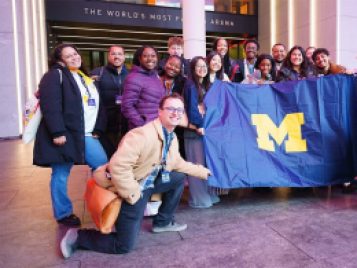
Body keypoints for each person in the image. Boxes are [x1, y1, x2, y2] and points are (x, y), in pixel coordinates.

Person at [60, 94, 211, 257]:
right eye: (171, 109)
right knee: (123, 245)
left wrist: (204, 172)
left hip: (146, 181)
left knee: (178, 177)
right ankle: (80, 237)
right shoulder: (141, 135)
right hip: (128, 186)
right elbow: (118, 167)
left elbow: (177, 164)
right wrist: (134, 195)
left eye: (179, 110)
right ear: (159, 111)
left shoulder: (171, 136)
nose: (176, 113)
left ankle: (163, 222)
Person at [33, 44, 108, 226]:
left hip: (87, 134)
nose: (74, 57)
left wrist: (98, 128)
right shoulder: (54, 75)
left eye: (75, 54)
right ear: (60, 61)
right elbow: (50, 105)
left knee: (103, 167)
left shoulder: (84, 77)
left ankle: (103, 206)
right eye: (68, 56)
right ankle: (63, 214)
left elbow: (97, 105)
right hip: (66, 134)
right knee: (60, 173)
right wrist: (57, 131)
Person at [183, 56, 220, 208]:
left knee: (204, 165)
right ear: (192, 68)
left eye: (204, 66)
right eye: (198, 66)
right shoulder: (191, 85)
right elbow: (192, 109)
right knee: (197, 166)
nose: (202, 69)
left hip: (203, 130)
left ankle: (207, 196)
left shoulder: (202, 84)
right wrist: (199, 125)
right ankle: (199, 200)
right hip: (195, 132)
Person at [91, 45, 129, 157]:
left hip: (125, 123)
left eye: (119, 54)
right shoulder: (98, 73)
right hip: (104, 123)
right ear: (108, 56)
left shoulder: (131, 74)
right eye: (113, 54)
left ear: (124, 57)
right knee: (106, 156)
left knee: (124, 157)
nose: (116, 57)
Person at [122, 45, 165, 130]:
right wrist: (142, 124)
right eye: (145, 56)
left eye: (153, 56)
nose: (150, 59)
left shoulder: (155, 76)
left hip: (158, 126)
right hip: (143, 129)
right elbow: (127, 106)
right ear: (139, 59)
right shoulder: (134, 78)